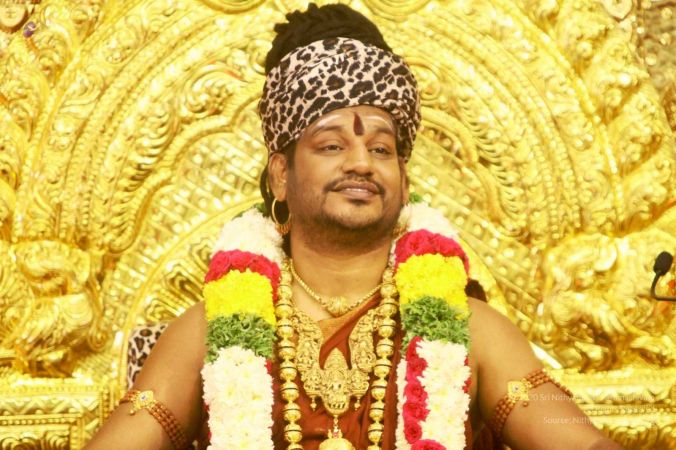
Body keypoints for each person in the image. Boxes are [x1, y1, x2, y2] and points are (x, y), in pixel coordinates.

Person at [87, 4, 624, 450]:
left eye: (382, 149)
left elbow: (573, 438)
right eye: (331, 145)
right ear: (281, 175)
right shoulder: (207, 332)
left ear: (404, 181)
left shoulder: (472, 330)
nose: (362, 163)